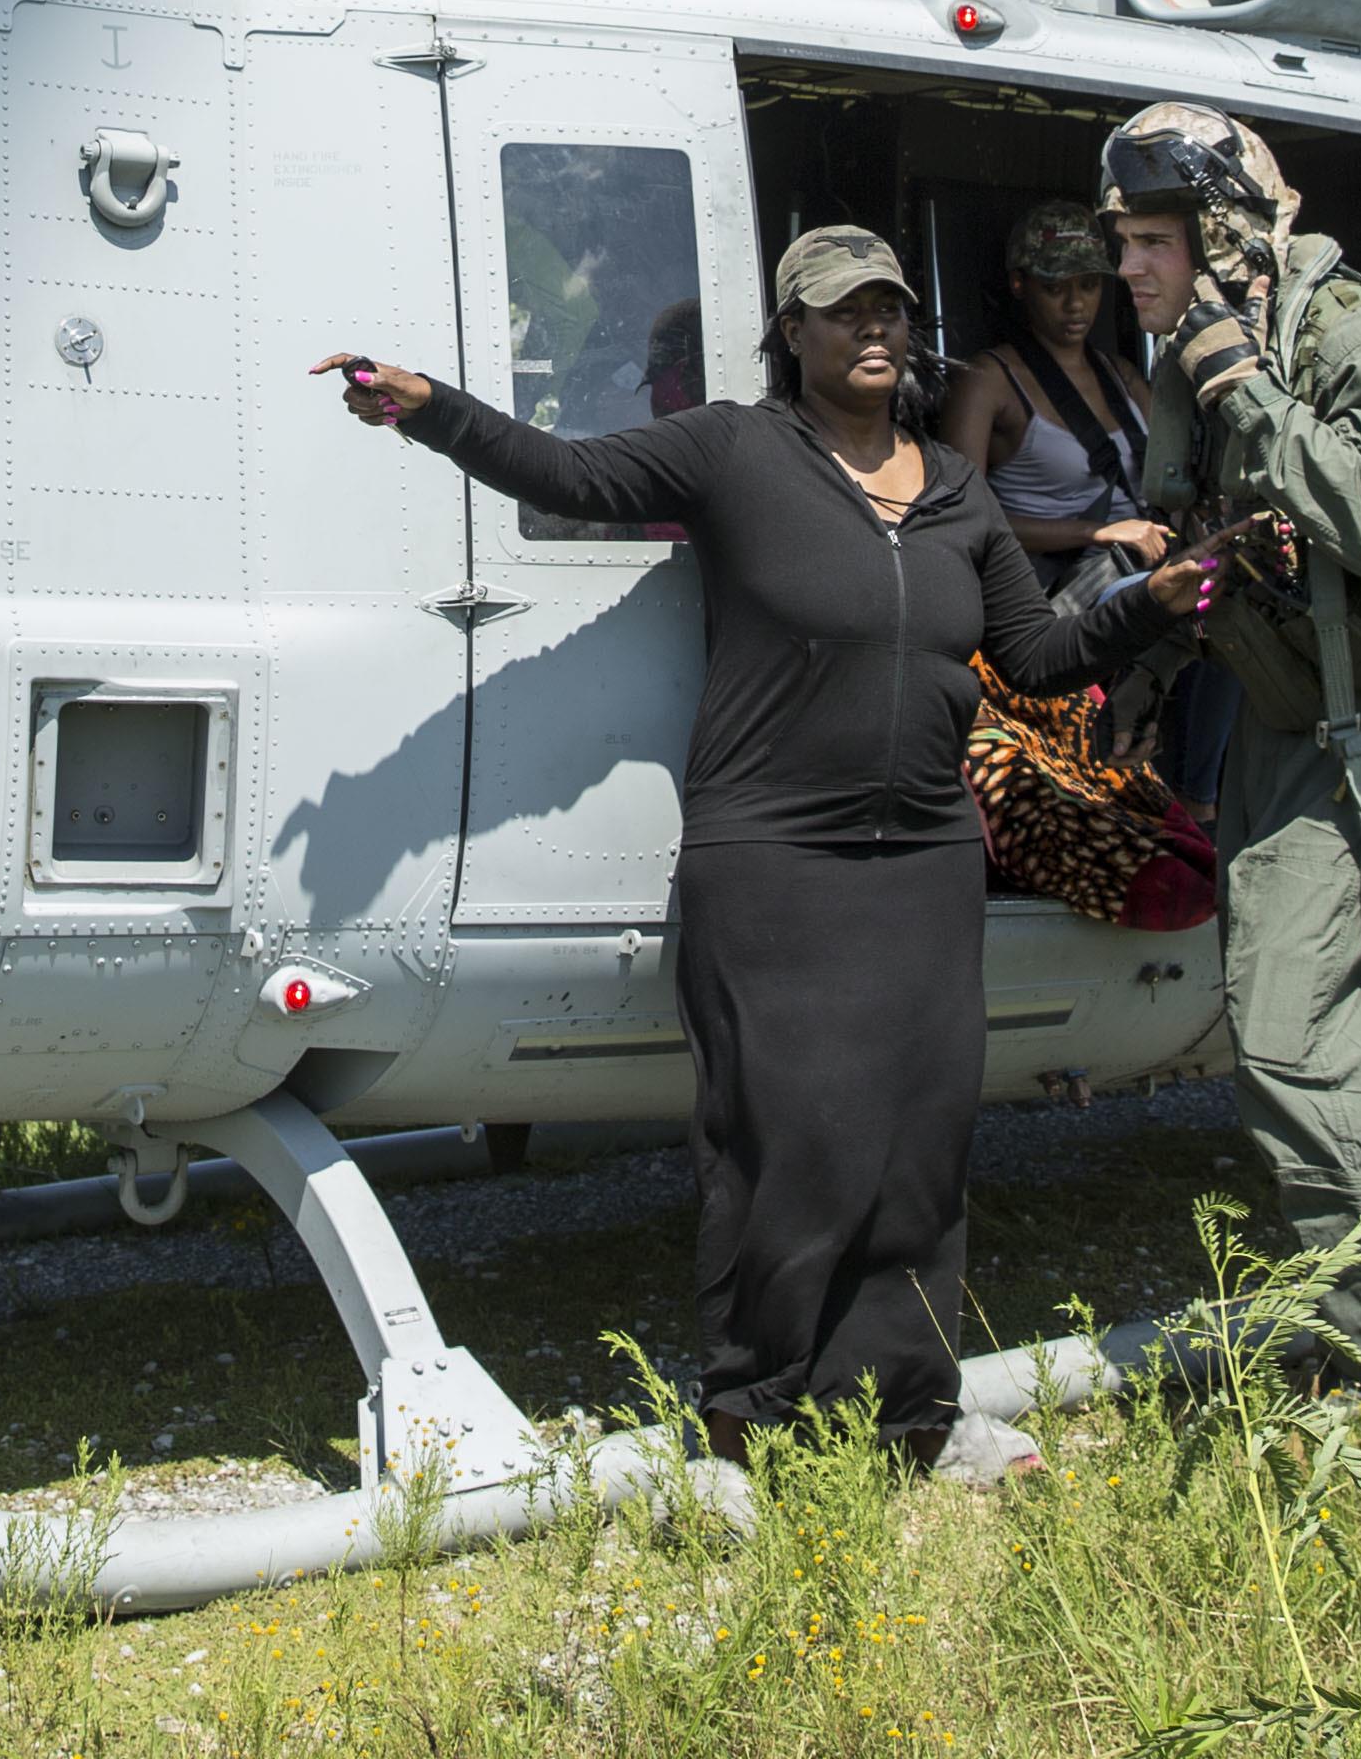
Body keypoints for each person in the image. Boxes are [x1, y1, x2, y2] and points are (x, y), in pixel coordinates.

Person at [316, 226, 1182, 1482]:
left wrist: (1150, 604)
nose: (873, 328)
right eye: (844, 311)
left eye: (889, 307)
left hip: (927, 856)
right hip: (775, 855)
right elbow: (565, 473)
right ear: (793, 331)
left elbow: (1036, 659)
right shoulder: (735, 449)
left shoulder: (956, 489)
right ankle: (745, 1425)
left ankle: (912, 1414)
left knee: (919, 1146)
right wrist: (429, 408)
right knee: (788, 1146)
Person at [1100, 102, 1361, 1388]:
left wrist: (1246, 389)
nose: (1128, 268)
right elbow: (1214, 541)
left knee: (1297, 1039)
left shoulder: (1352, 340)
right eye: (1122, 242)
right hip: (1283, 723)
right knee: (1341, 1041)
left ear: (1223, 243)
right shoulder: (1198, 357)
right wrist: (1143, 672)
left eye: (1153, 241)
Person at [934, 197, 1171, 586]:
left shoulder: (1122, 376)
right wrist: (1094, 532)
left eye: (1089, 285)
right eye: (1054, 287)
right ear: (1019, 283)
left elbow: (1173, 477)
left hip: (1144, 575)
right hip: (1058, 595)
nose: (1075, 304)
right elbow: (961, 515)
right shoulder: (988, 380)